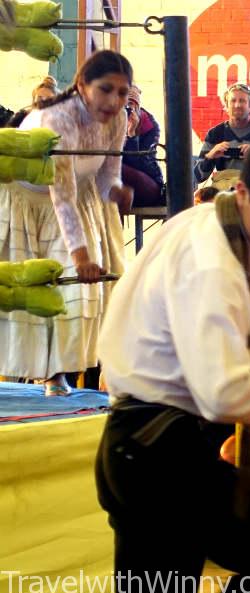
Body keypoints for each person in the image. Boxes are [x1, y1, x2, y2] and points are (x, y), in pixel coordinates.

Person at [94, 132, 250, 593]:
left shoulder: (210, 224)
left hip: (145, 448)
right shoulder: (214, 260)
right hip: (159, 454)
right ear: (243, 192)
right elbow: (222, 393)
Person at [0, 50, 133, 396]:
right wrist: (81, 257)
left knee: (71, 294)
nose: (114, 100)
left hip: (76, 196)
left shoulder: (118, 120)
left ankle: (55, 375)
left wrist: (118, 193)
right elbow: (61, 194)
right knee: (22, 290)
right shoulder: (58, 119)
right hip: (24, 198)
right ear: (82, 86)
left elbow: (107, 177)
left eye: (122, 93)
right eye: (105, 89)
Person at [193, 82, 250, 187]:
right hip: (225, 189)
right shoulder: (215, 134)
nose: (237, 105)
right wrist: (210, 156)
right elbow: (198, 177)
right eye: (233, 101)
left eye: (242, 101)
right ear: (226, 106)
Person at [121, 85, 164, 208]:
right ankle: (113, 228)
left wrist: (132, 135)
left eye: (131, 104)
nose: (127, 109)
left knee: (116, 168)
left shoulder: (149, 125)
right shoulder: (111, 122)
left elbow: (143, 165)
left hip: (149, 185)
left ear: (138, 107)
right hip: (120, 187)